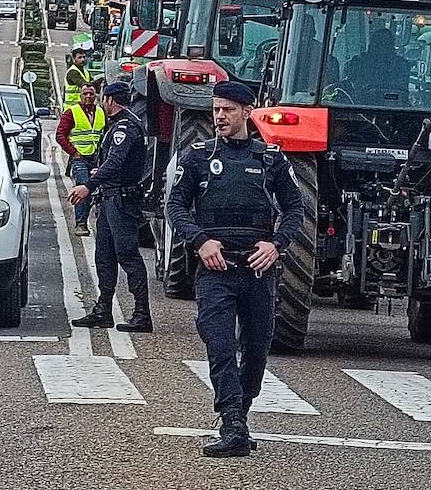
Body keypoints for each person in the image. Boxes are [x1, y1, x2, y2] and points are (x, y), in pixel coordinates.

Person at [166, 80, 305, 459]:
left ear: (247, 112)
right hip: (217, 267)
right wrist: (199, 240)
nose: (219, 116)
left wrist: (276, 245)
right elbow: (175, 206)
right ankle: (231, 421)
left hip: (258, 269)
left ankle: (239, 416)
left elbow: (295, 208)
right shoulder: (196, 157)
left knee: (257, 349)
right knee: (221, 343)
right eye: (216, 110)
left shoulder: (271, 159)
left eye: (227, 109)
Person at [68, 82, 151, 333]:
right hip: (110, 198)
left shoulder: (125, 126)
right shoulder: (118, 124)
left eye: (104, 99)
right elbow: (113, 163)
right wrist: (99, 173)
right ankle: (103, 310)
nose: (102, 104)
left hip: (121, 200)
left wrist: (88, 186)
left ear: (111, 100)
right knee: (104, 255)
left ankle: (142, 314)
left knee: (127, 254)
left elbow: (116, 162)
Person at [55, 83, 104, 235]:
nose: (88, 96)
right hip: (80, 158)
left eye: (91, 94)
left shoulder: (101, 112)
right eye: (85, 94)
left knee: (99, 188)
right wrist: (73, 152)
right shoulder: (72, 112)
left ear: (95, 95)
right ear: (80, 96)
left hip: (97, 159)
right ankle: (81, 223)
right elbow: (60, 135)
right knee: (83, 186)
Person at [343, 27, 410, 101]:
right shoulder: (359, 61)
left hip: (391, 106)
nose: (381, 48)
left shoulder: (401, 64)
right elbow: (351, 85)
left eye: (385, 44)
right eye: (379, 44)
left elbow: (403, 92)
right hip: (361, 106)